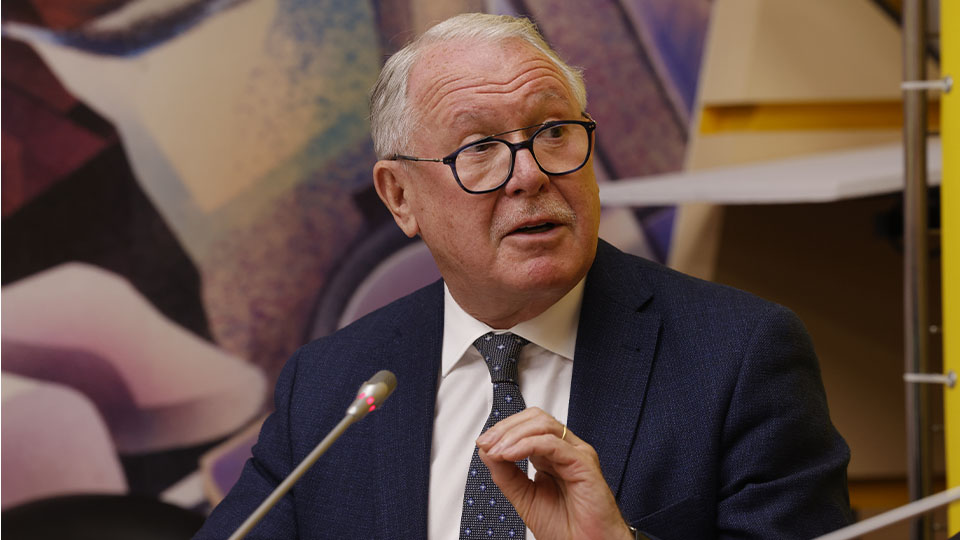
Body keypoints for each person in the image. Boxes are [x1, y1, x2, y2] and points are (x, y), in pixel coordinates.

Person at [193, 13, 851, 540]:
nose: (531, 174)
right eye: (480, 147)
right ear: (400, 197)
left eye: (555, 131)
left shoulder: (737, 357)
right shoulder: (331, 386)